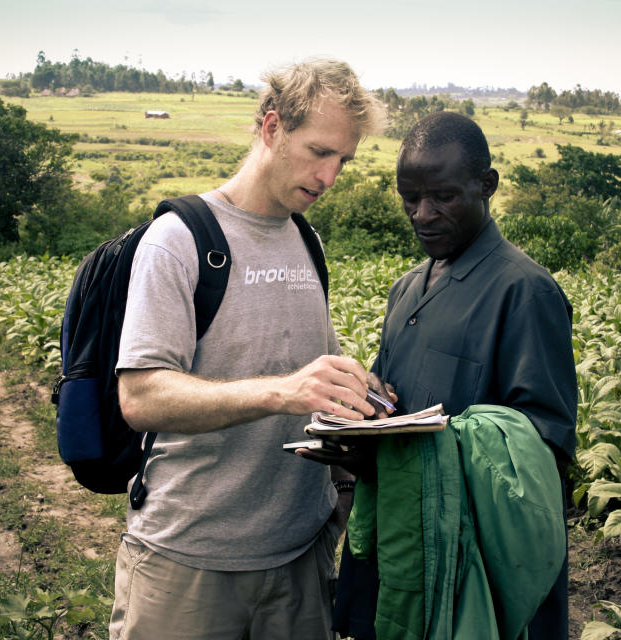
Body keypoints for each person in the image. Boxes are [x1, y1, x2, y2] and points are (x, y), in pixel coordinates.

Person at [108, 58, 387, 640]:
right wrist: (281, 392)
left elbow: (309, 379)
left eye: (344, 160)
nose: (331, 176)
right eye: (319, 152)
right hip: (188, 562)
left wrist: (357, 396)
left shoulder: (307, 241)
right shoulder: (179, 240)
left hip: (300, 559)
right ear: (271, 128)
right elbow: (140, 397)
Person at [313, 111, 578, 639]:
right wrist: (362, 423)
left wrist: (413, 453)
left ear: (487, 186)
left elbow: (543, 452)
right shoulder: (407, 288)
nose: (422, 214)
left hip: (475, 563)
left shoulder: (524, 291)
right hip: (405, 540)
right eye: (409, 198)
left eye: (443, 197)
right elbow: (393, 403)